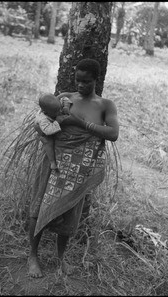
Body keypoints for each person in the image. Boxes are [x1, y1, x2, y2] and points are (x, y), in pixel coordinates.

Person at [28, 58, 119, 278]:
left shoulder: (106, 105)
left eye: (86, 82)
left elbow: (113, 134)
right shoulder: (63, 98)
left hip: (79, 170)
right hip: (55, 164)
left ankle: (61, 259)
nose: (80, 85)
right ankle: (32, 256)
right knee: (39, 207)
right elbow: (41, 122)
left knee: (70, 213)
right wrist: (45, 135)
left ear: (96, 80)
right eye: (78, 80)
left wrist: (80, 123)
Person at [34, 93, 72, 170]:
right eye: (56, 112)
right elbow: (48, 131)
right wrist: (57, 122)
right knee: (48, 142)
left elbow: (65, 98)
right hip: (44, 131)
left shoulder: (56, 105)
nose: (59, 112)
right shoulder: (43, 119)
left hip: (49, 125)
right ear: (45, 112)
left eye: (59, 109)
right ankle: (52, 162)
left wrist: (66, 107)